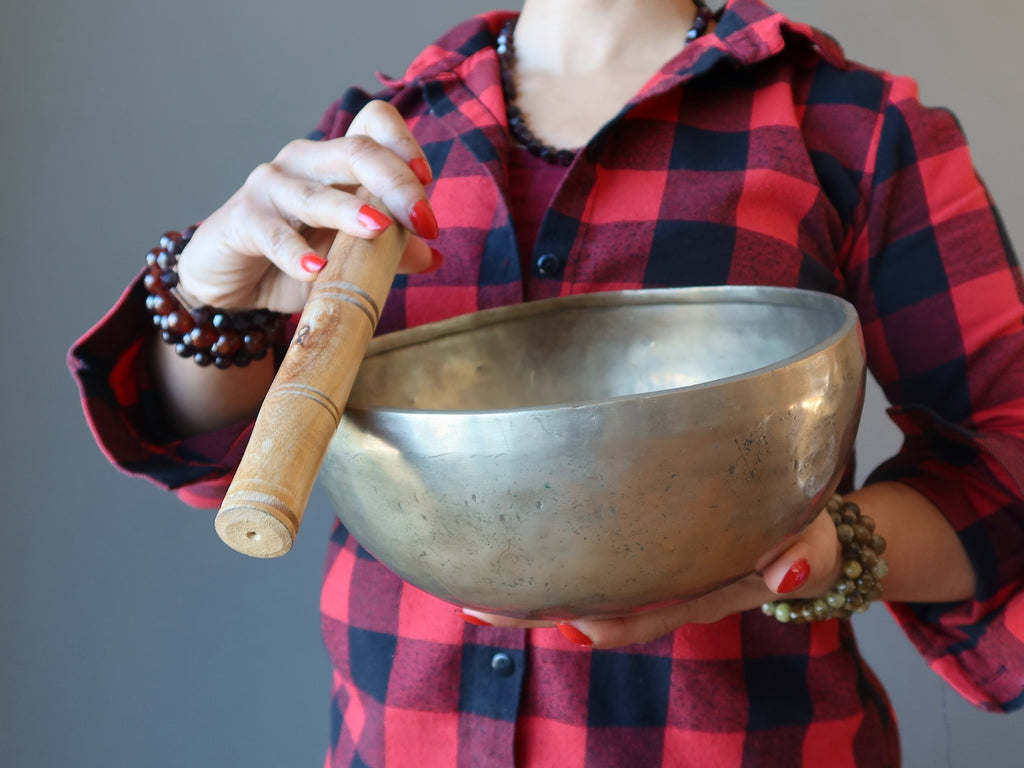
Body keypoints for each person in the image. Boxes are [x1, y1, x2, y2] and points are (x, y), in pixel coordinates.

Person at [69, 0, 1024, 765]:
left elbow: (1007, 466)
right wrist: (207, 295)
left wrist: (836, 546)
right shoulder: (379, 138)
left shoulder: (851, 125)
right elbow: (226, 456)